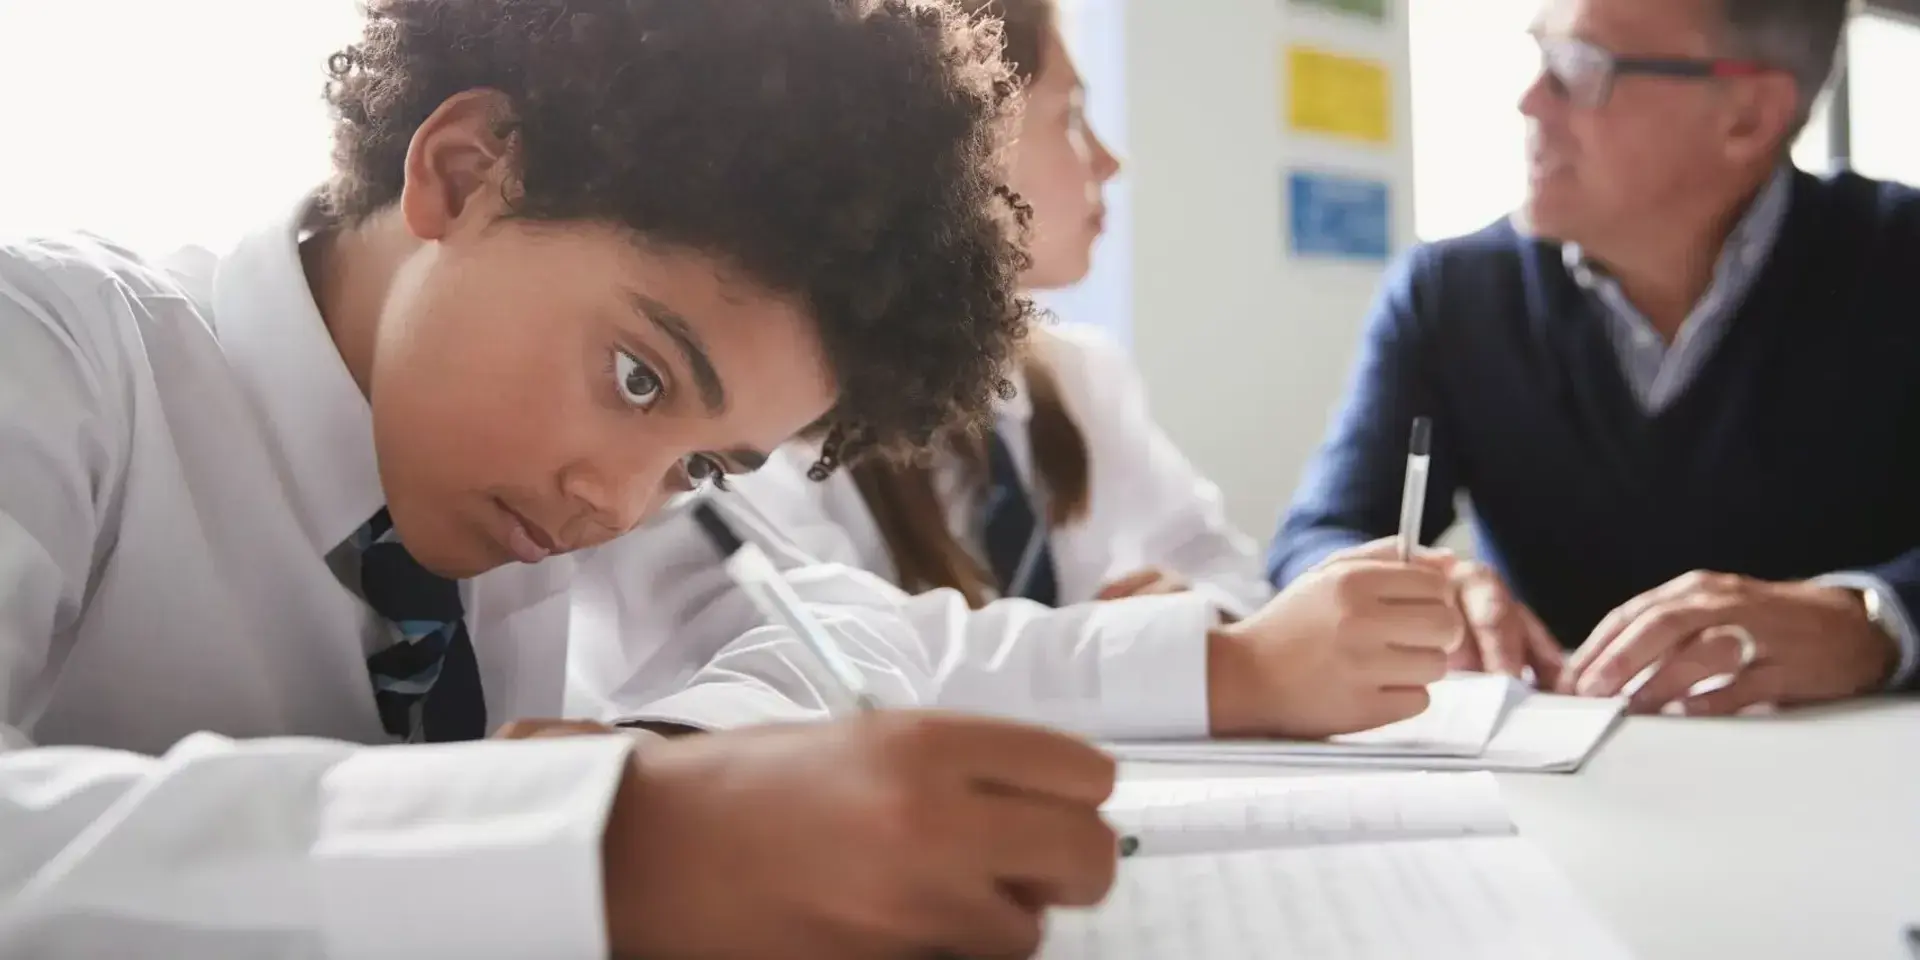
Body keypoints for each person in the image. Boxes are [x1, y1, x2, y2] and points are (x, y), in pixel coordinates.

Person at [0, 1, 1124, 956]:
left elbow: (848, 632)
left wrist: (678, 762)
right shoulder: (51, 354)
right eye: (639, 377)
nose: (620, 505)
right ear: (468, 171)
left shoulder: (574, 473)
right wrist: (598, 842)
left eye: (700, 464)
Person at [567, 0, 1463, 745]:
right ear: (965, 142)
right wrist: (1202, 663)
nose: (1110, 159)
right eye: (1069, 114)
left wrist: (1189, 624)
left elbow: (1228, 572)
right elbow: (821, 654)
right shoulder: (763, 409)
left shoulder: (1082, 377)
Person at [1272, 0, 1920, 717]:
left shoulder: (1902, 259)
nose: (1528, 99)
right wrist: (1402, 585)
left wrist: (1874, 622)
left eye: (1581, 68)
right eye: (1541, 55)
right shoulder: (1447, 295)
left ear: (1747, 115)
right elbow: (1318, 535)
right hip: (1553, 790)